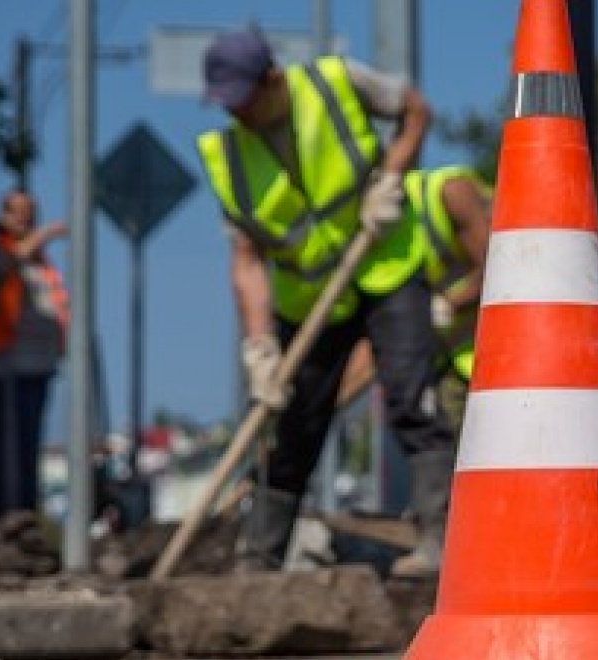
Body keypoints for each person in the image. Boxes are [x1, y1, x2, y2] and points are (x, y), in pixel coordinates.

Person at [195, 27, 456, 575]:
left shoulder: (336, 82)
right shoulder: (230, 158)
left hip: (386, 264)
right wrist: (260, 344)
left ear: (271, 79)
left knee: (412, 400)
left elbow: (415, 111)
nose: (235, 115)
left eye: (242, 100)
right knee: (289, 428)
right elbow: (247, 258)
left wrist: (390, 179)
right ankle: (259, 562)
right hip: (310, 298)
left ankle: (442, 541)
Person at [0, 190, 68, 519]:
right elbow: (1, 270)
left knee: (29, 446)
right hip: (7, 365)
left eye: (30, 214)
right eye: (18, 213)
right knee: (4, 450)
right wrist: (43, 236)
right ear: (3, 215)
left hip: (40, 365)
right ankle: (1, 515)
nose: (25, 221)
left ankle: (25, 513)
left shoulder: (42, 263)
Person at [408, 166, 492, 437]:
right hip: (454, 364)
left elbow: (500, 270)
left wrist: (447, 305)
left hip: (503, 360)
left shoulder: (448, 193)